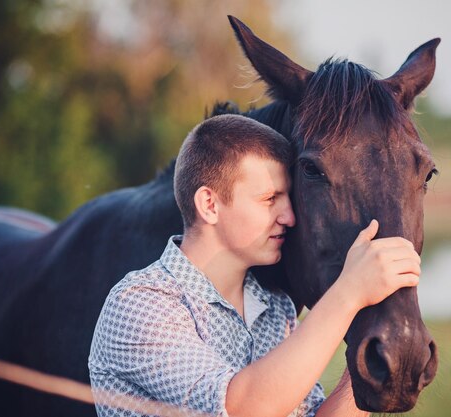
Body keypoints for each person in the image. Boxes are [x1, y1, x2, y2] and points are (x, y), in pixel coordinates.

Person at [88, 114, 421, 417]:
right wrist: (348, 293)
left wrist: (368, 340)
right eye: (269, 199)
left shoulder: (276, 311)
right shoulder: (140, 306)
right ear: (209, 205)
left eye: (288, 199)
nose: (289, 217)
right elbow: (243, 409)